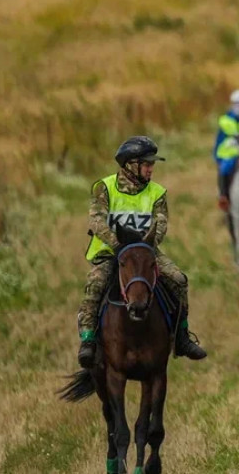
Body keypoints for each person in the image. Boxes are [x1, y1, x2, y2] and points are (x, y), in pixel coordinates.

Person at [77, 136, 207, 368]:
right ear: (131, 165)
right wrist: (119, 246)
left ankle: (182, 337)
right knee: (95, 284)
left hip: (146, 252)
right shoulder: (104, 188)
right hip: (111, 252)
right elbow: (96, 221)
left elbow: (161, 224)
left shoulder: (157, 192)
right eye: (147, 164)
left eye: (152, 165)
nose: (151, 169)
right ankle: (88, 340)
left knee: (179, 279)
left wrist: (144, 247)